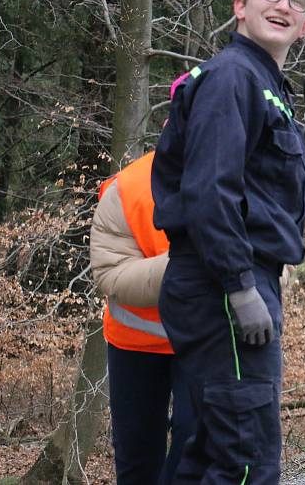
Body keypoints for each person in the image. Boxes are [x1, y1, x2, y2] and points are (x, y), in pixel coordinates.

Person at [150, 0, 305, 482]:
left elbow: (275, 206)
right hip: (222, 285)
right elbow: (211, 191)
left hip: (244, 279)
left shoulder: (268, 87)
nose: (283, 4)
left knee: (210, 452)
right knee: (247, 458)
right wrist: (238, 284)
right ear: (240, 5)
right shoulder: (232, 76)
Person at [90, 150, 194, 485]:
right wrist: (189, 264)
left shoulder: (242, 179)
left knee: (195, 447)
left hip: (204, 340)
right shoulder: (129, 187)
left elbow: (271, 263)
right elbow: (110, 276)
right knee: (137, 462)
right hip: (134, 346)